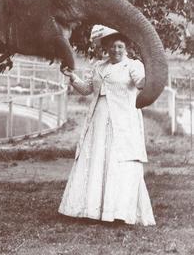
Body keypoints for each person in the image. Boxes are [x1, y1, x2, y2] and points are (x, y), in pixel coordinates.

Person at [59, 25, 155, 226]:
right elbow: (87, 89)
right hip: (99, 122)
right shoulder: (99, 67)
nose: (116, 50)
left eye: (119, 47)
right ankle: (90, 209)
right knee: (96, 159)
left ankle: (118, 211)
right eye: (112, 47)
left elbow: (141, 83)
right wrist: (72, 77)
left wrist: (150, 80)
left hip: (123, 122)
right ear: (106, 48)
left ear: (126, 47)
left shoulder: (133, 66)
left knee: (118, 161)